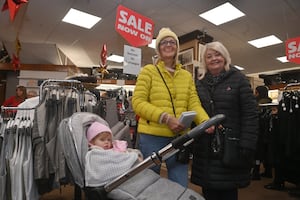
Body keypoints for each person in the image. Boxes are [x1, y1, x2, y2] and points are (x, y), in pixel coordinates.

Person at [132, 27, 211, 187]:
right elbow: (138, 102)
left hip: (179, 137)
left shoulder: (186, 76)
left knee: (180, 183)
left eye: (172, 42)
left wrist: (205, 121)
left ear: (177, 47)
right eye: (164, 42)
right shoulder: (148, 71)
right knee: (149, 183)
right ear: (159, 48)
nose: (168, 45)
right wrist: (165, 118)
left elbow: (194, 102)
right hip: (152, 137)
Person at [191, 41, 258, 200]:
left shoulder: (239, 79)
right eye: (209, 56)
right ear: (204, 60)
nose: (214, 59)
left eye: (218, 54)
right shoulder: (199, 83)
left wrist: (247, 144)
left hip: (231, 147)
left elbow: (250, 114)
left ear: (225, 56)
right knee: (208, 191)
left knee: (228, 192)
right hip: (205, 149)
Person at [84, 121, 142, 187]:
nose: (106, 142)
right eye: (102, 140)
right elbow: (113, 159)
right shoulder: (95, 153)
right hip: (108, 180)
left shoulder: (110, 148)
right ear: (92, 141)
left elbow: (116, 156)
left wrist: (126, 153)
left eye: (109, 140)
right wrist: (133, 157)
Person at [252, 85, 273, 180]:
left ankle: (256, 173)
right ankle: (268, 171)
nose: (254, 94)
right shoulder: (270, 103)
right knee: (266, 151)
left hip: (259, 131)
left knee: (257, 153)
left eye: (256, 92)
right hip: (268, 132)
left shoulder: (258, 104)